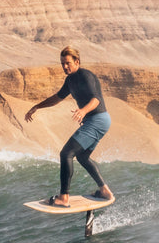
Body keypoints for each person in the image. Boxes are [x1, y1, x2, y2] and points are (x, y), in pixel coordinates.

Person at [25, 46, 114, 207]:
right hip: (97, 120)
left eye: (67, 63)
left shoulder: (85, 76)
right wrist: (37, 106)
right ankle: (105, 190)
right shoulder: (70, 80)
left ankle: (63, 197)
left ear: (77, 62)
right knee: (82, 157)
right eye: (62, 64)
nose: (65, 67)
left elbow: (96, 100)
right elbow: (57, 98)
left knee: (66, 153)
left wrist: (83, 111)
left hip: (97, 119)